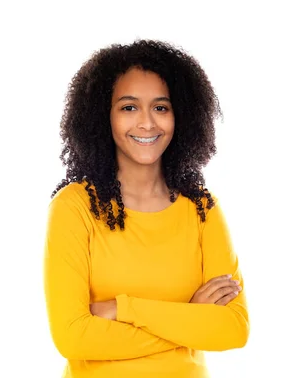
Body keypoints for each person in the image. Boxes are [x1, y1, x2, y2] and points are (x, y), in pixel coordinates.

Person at [43, 39, 249, 378]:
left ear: (180, 115)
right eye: (128, 107)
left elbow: (233, 329)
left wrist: (124, 308)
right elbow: (73, 338)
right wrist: (188, 318)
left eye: (161, 107)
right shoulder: (74, 208)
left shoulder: (202, 209)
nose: (147, 123)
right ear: (102, 117)